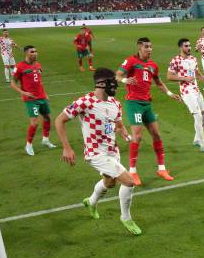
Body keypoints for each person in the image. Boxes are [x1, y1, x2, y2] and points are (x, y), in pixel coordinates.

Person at [54, 68, 142, 235]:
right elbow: (59, 120)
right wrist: (67, 147)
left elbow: (117, 121)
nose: (115, 84)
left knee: (110, 183)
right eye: (112, 82)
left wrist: (122, 130)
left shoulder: (115, 103)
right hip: (95, 152)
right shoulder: (85, 102)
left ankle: (91, 202)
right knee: (129, 181)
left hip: (112, 150)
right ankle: (126, 218)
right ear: (101, 83)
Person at [116, 37, 181, 186]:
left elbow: (158, 83)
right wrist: (125, 81)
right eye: (146, 47)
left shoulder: (153, 65)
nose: (149, 49)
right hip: (134, 103)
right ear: (139, 47)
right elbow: (117, 75)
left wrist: (170, 94)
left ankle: (161, 169)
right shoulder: (131, 61)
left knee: (157, 134)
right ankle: (132, 171)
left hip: (147, 104)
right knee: (137, 136)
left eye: (151, 47)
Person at [167, 38, 204, 154]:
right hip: (186, 92)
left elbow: (197, 73)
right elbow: (169, 76)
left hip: (196, 90)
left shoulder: (193, 59)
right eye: (186, 46)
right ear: (181, 48)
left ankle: (197, 139)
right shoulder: (176, 60)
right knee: (197, 116)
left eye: (189, 46)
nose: (189, 48)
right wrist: (183, 78)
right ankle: (203, 144)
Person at [10, 45, 57, 156]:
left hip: (42, 97)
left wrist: (45, 94)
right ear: (26, 53)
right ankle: (29, 145)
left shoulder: (37, 65)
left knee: (47, 118)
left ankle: (45, 139)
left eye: (36, 51)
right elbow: (13, 83)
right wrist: (23, 93)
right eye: (32, 52)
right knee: (34, 123)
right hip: (31, 99)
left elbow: (39, 81)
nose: (35, 53)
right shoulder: (20, 66)